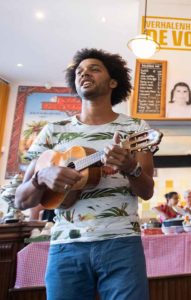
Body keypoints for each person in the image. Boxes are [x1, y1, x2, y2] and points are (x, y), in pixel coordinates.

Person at [15, 48, 155, 299]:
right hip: (65, 247)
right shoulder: (53, 130)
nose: (84, 73)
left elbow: (147, 191)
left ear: (113, 82)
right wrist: (41, 177)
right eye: (79, 71)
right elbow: (21, 200)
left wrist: (129, 167)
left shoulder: (135, 128)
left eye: (94, 68)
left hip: (121, 242)